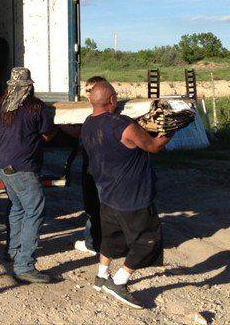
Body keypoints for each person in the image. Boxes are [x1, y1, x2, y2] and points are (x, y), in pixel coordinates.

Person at [80, 82, 173, 309]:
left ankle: (102, 276)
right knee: (149, 240)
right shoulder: (122, 125)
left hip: (108, 194)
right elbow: (153, 146)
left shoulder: (87, 123)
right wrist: (172, 129)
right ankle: (120, 281)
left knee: (112, 238)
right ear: (112, 100)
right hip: (133, 196)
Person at [0, 67, 58, 284]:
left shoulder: (1, 106)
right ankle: (24, 266)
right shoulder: (35, 107)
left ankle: (12, 251)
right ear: (29, 86)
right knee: (35, 211)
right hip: (23, 167)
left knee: (17, 207)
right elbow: (47, 134)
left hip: (2, 164)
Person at [73, 76, 108, 257]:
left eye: (91, 90)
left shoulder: (99, 111)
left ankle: (92, 243)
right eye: (86, 90)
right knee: (95, 205)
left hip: (98, 167)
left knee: (96, 206)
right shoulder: (87, 110)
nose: (87, 94)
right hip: (93, 165)